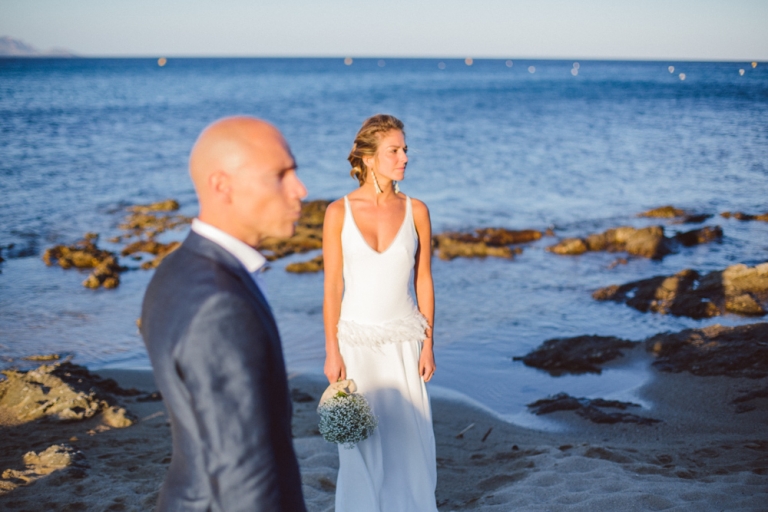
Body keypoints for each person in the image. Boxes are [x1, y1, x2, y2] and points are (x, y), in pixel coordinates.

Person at [140, 116, 308, 512]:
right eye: (280, 174)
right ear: (222, 185)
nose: (300, 189)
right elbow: (242, 472)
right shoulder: (220, 304)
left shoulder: (176, 269)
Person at [322, 114, 438, 512]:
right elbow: (332, 287)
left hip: (406, 342)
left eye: (405, 149)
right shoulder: (337, 212)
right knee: (360, 446)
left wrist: (428, 343)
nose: (404, 156)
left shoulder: (416, 210)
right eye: (394, 150)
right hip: (356, 344)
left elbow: (424, 279)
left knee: (410, 443)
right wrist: (331, 351)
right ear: (369, 158)